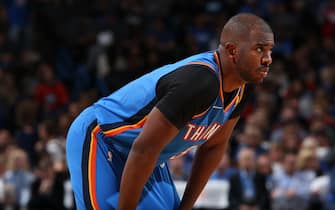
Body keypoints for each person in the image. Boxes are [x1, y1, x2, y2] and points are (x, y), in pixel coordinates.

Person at [66, 13, 274, 210]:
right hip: (103, 137)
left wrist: (185, 206)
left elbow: (213, 147)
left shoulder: (241, 88)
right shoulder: (200, 81)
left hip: (147, 153)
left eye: (270, 50)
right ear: (232, 51)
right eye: (259, 49)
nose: (268, 58)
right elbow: (143, 149)